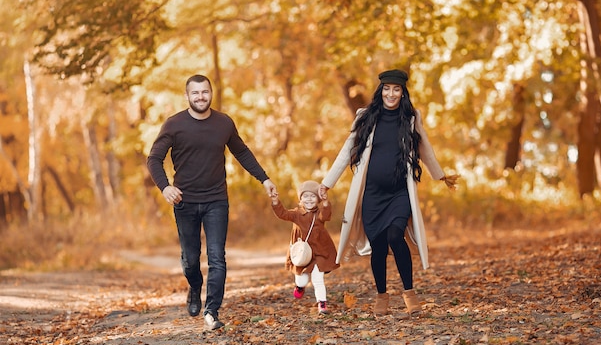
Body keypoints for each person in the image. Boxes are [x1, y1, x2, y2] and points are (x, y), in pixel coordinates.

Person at [318, 69, 458, 317]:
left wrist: (440, 175)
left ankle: (410, 294)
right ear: (380, 90)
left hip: (399, 193)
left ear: (403, 92)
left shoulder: (411, 117)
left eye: (396, 89)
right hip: (372, 195)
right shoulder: (366, 116)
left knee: (396, 235)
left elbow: (425, 148)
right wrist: (327, 183)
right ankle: (382, 295)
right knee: (379, 246)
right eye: (387, 89)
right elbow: (346, 151)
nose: (391, 94)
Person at [147, 74, 277, 330]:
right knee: (191, 259)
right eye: (195, 93)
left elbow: (242, 152)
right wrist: (165, 188)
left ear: (211, 93)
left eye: (204, 92)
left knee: (217, 257)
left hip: (216, 200)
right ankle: (195, 287)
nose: (200, 97)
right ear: (187, 96)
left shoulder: (223, 123)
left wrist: (265, 179)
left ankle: (212, 311)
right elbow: (154, 159)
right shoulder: (174, 125)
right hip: (185, 201)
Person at [270, 180, 340, 314]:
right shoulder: (296, 214)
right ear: (300, 199)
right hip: (302, 254)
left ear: (317, 199)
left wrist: (325, 202)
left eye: (313, 196)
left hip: (319, 252)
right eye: (305, 196)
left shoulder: (319, 213)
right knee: (302, 280)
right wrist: (275, 201)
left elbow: (326, 215)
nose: (309, 199)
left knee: (318, 279)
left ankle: (322, 304)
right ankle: (300, 287)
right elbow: (282, 214)